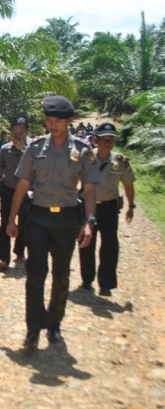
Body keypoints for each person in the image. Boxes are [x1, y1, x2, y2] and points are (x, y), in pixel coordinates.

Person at [7, 95, 100, 350]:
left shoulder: (82, 149)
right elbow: (23, 183)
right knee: (35, 273)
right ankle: (33, 328)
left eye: (58, 120)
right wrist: (12, 217)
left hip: (67, 218)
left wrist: (89, 221)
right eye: (49, 120)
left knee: (61, 274)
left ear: (70, 120)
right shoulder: (35, 148)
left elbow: (90, 188)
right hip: (38, 216)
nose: (53, 125)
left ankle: (54, 322)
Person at [78, 123, 135, 297]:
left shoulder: (120, 161)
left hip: (109, 208)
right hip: (87, 206)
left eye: (111, 140)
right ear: (96, 140)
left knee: (110, 245)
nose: (107, 143)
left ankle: (106, 284)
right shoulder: (86, 157)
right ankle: (87, 280)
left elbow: (128, 185)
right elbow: (72, 178)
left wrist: (131, 206)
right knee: (86, 243)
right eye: (104, 140)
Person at [0, 116, 29, 270]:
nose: (18, 136)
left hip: (28, 192)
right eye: (15, 133)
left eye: (21, 132)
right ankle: (2, 257)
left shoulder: (35, 148)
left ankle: (19, 252)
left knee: (25, 223)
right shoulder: (5, 149)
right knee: (5, 221)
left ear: (27, 131)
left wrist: (23, 149)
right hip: (9, 189)